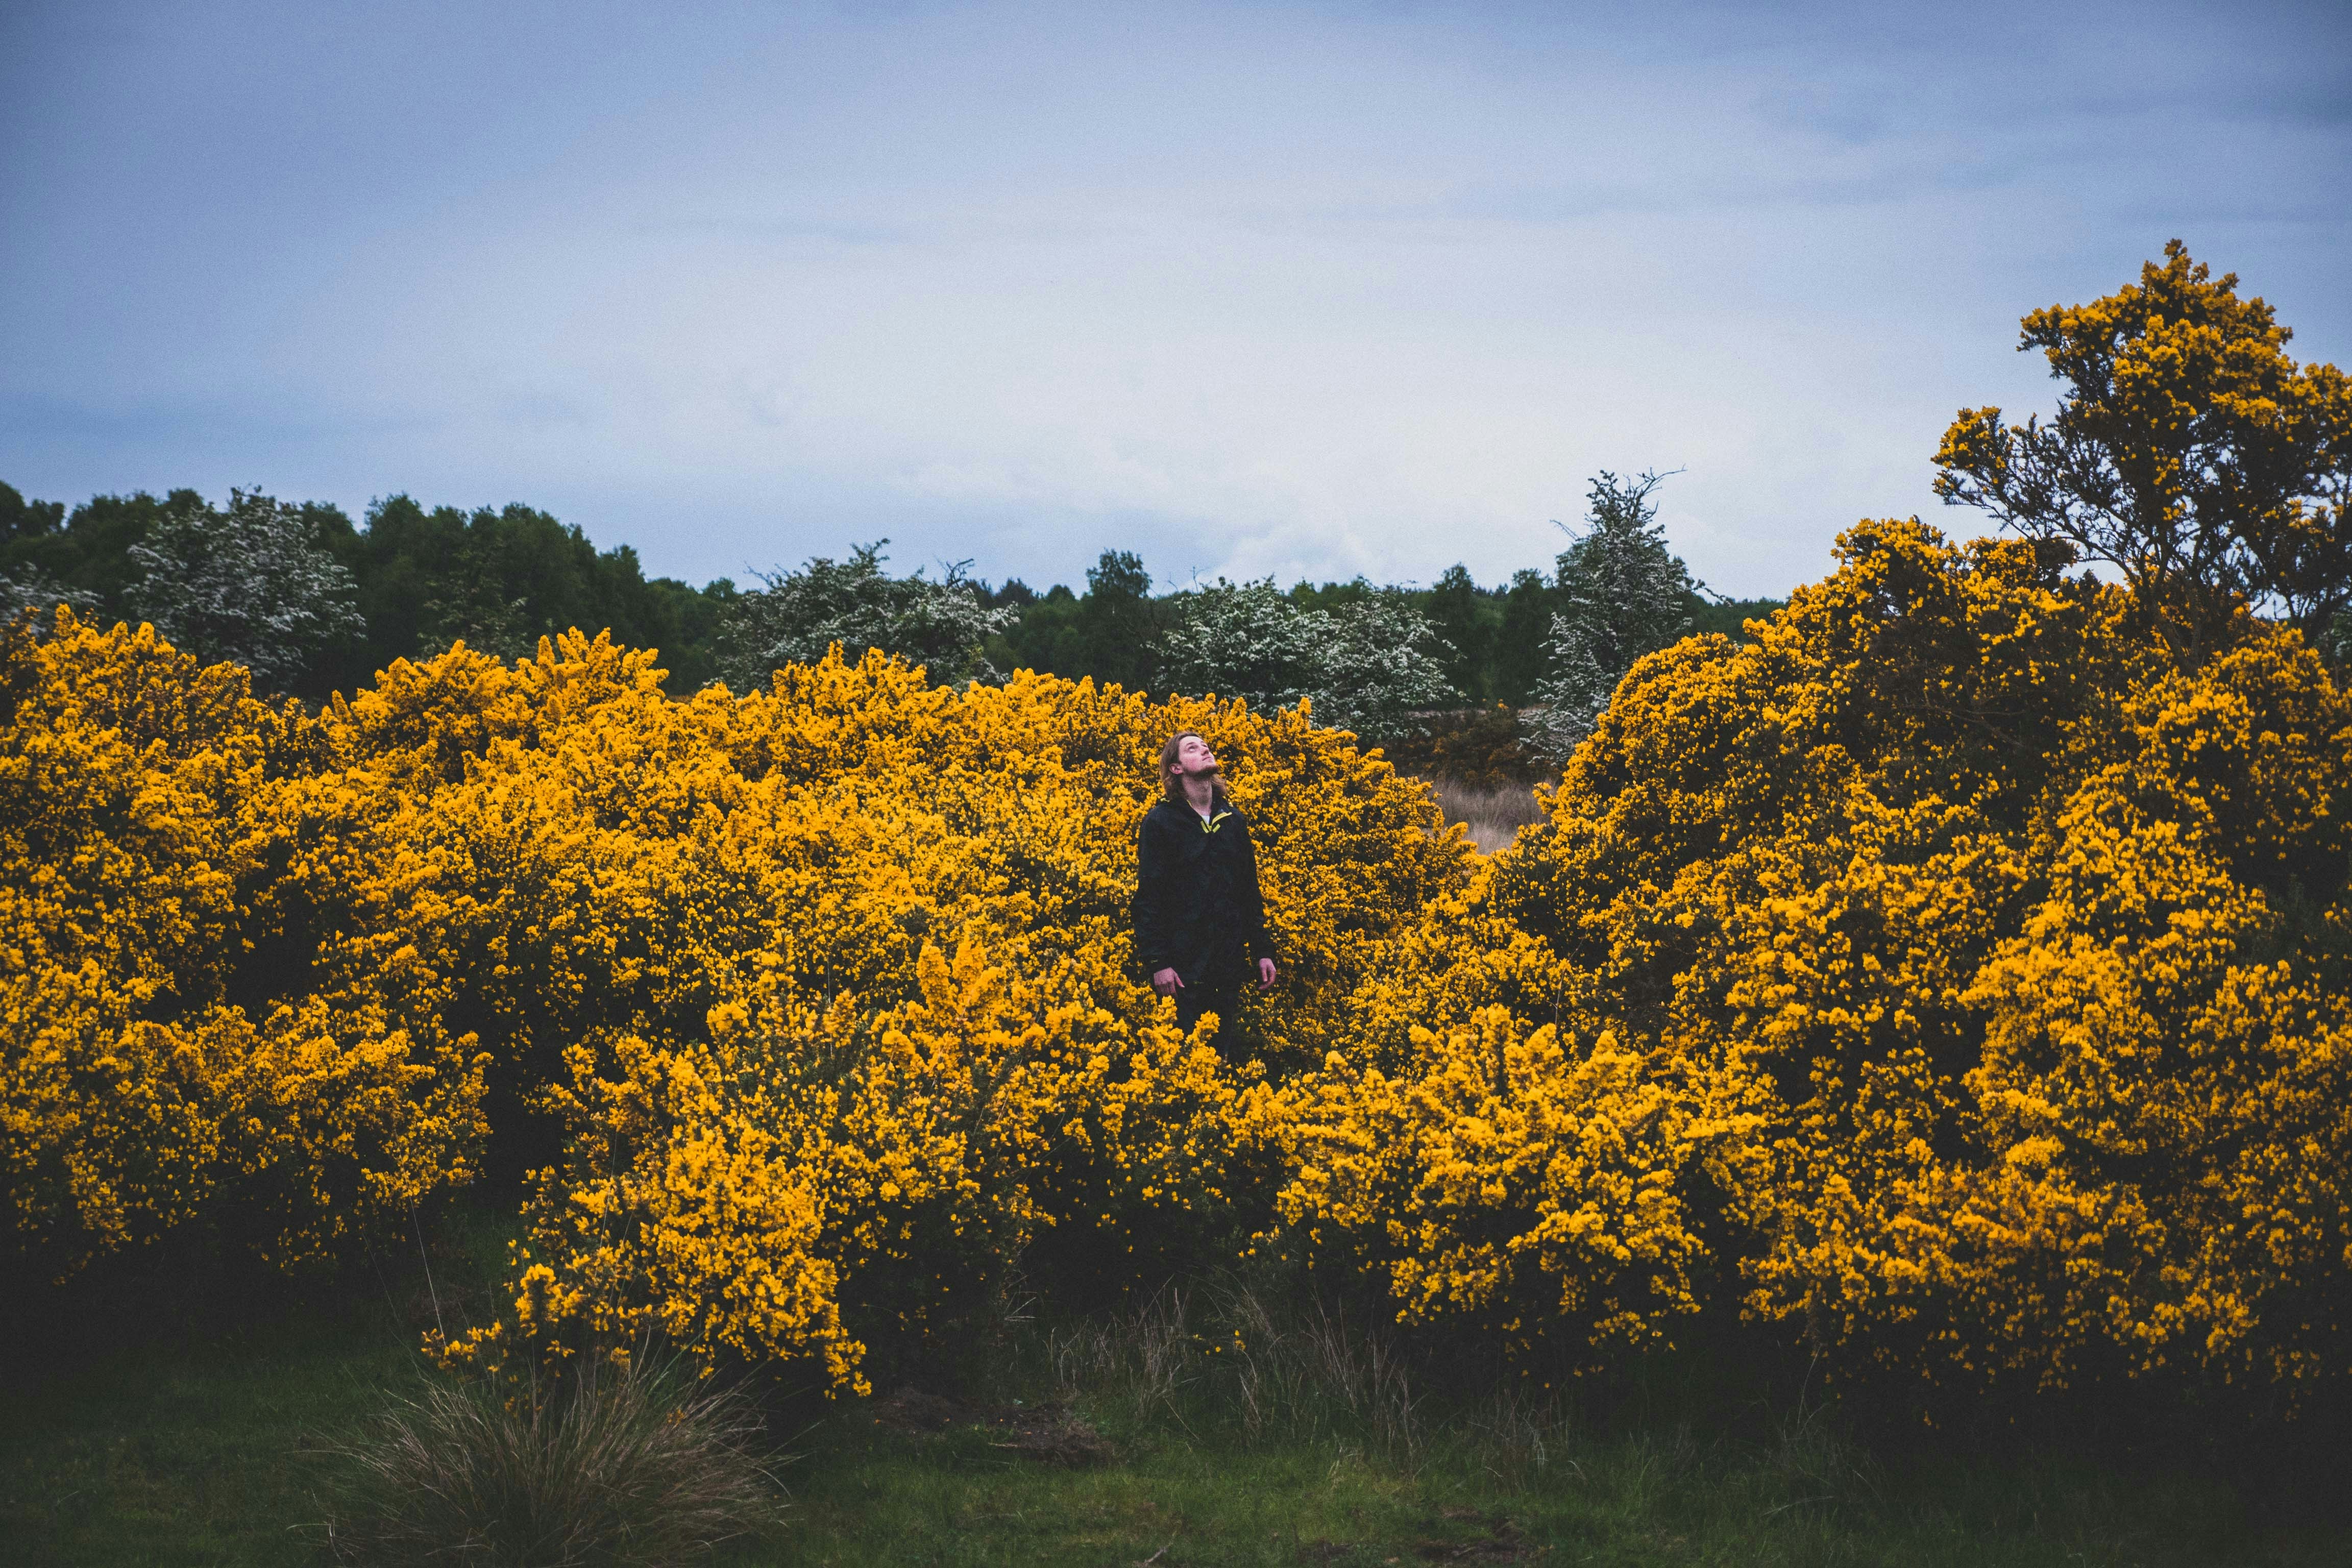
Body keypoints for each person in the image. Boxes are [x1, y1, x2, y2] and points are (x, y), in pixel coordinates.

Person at [1133, 730, 1278, 1044]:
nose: (1205, 750)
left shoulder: (1233, 821)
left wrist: (1263, 951)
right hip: (1182, 968)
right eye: (1192, 748)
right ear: (1176, 768)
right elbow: (1149, 898)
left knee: (1221, 1052)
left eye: (1206, 746)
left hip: (1227, 962)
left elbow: (1248, 892)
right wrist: (1159, 963)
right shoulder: (1161, 822)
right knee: (1183, 1057)